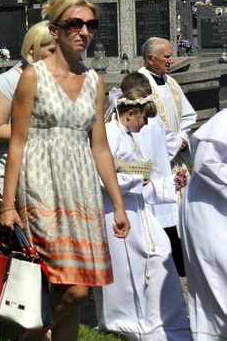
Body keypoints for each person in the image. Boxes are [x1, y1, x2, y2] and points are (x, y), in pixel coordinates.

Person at [0, 0, 130, 341]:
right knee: (75, 291)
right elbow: (17, 141)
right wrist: (8, 205)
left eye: (90, 25)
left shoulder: (96, 82)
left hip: (82, 193)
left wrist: (117, 203)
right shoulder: (33, 76)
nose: (84, 31)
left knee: (74, 285)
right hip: (42, 187)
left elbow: (99, 146)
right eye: (75, 23)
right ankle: (27, 337)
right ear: (55, 31)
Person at [93, 75, 190, 340]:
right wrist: (138, 178)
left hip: (138, 209)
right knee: (126, 269)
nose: (145, 124)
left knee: (159, 257)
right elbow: (103, 175)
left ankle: (158, 318)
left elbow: (139, 177)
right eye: (144, 119)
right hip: (116, 210)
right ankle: (122, 320)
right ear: (130, 113)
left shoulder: (128, 134)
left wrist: (169, 184)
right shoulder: (111, 132)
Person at [137, 36, 196, 277]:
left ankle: (182, 260)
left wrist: (182, 137)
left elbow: (188, 115)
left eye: (171, 56)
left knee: (181, 212)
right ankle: (165, 260)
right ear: (150, 59)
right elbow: (145, 124)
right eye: (166, 56)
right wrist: (174, 143)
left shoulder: (170, 81)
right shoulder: (139, 84)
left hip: (175, 157)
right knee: (161, 212)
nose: (171, 60)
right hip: (157, 160)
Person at [0, 21, 55, 199]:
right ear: (32, 49)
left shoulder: (62, 79)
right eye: (52, 51)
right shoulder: (7, 82)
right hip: (20, 171)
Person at [181, 108, 227, 340]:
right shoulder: (225, 119)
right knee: (217, 270)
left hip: (221, 208)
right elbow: (205, 162)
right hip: (207, 208)